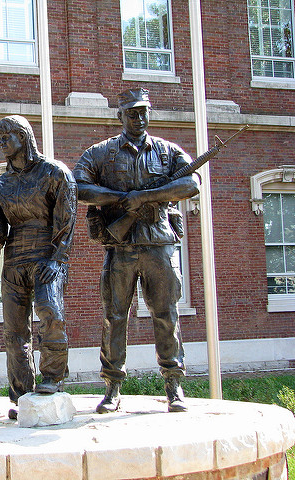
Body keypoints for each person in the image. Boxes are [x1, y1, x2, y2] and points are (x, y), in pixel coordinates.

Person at [73, 88, 199, 413]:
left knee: (166, 315)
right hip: (121, 246)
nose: (139, 118)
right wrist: (119, 199)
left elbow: (192, 183)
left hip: (159, 244)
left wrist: (146, 197)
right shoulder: (101, 153)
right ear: (120, 116)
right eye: (132, 113)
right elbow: (79, 186)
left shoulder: (168, 151)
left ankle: (174, 386)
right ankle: (112, 388)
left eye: (143, 112)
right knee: (114, 317)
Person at [0, 115, 77, 418]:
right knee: (13, 330)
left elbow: (67, 218)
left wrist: (58, 258)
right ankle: (21, 394)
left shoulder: (53, 173)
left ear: (23, 137)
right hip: (14, 260)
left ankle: (52, 377)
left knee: (50, 312)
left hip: (47, 256)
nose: (1, 143)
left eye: (6, 136)